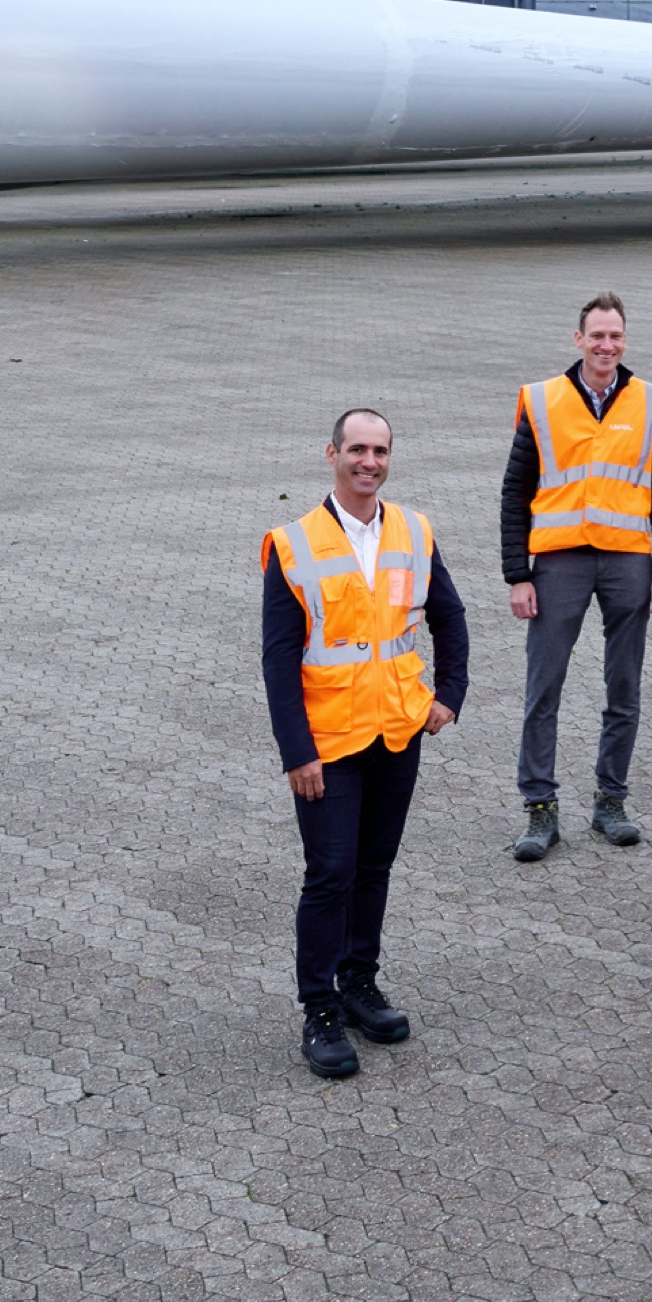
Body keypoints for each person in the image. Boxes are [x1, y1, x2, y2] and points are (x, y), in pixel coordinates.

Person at [260, 407, 471, 1080]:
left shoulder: (413, 530)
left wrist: (449, 697)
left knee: (374, 866)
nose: (368, 461)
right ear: (332, 454)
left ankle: (359, 983)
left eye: (379, 450)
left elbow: (450, 617)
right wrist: (297, 752)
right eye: (356, 448)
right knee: (330, 873)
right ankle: (319, 1008)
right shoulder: (293, 544)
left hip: (396, 730)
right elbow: (278, 658)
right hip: (329, 741)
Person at [499, 292, 652, 862]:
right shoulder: (543, 400)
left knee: (623, 689)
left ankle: (610, 801)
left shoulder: (649, 401)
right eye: (597, 335)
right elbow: (515, 492)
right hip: (558, 563)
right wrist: (517, 575)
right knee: (543, 687)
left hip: (629, 559)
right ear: (578, 339)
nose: (607, 346)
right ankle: (540, 809)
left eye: (616, 336)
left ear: (625, 340)